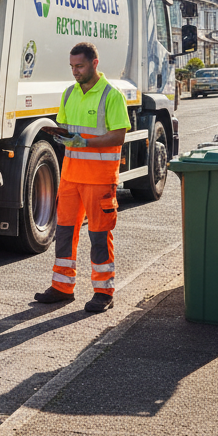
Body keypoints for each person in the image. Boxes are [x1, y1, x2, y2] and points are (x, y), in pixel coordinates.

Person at [35, 41, 131, 313]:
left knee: (99, 236)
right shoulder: (69, 94)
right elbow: (67, 130)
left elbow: (119, 135)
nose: (75, 72)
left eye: (80, 66)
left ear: (94, 63)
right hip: (70, 178)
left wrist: (86, 143)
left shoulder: (111, 95)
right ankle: (63, 287)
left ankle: (103, 292)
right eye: (72, 67)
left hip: (99, 179)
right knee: (64, 233)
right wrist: (60, 134)